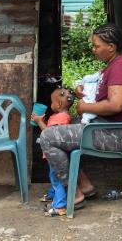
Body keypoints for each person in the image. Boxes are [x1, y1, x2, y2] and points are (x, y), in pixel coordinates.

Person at [38, 23, 122, 213]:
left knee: (47, 137)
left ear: (111, 46)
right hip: (105, 127)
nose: (93, 50)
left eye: (97, 46)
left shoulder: (121, 67)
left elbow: (116, 105)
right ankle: (84, 186)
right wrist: (82, 94)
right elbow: (101, 96)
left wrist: (84, 107)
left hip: (117, 134)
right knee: (62, 130)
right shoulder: (112, 66)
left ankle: (75, 194)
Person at [31, 88, 75, 216]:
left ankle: (60, 206)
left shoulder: (60, 117)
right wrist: (42, 121)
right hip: (57, 154)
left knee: (57, 178)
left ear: (58, 104)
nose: (51, 104)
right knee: (54, 177)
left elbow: (51, 135)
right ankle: (53, 196)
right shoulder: (62, 116)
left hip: (57, 155)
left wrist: (39, 122)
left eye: (52, 102)